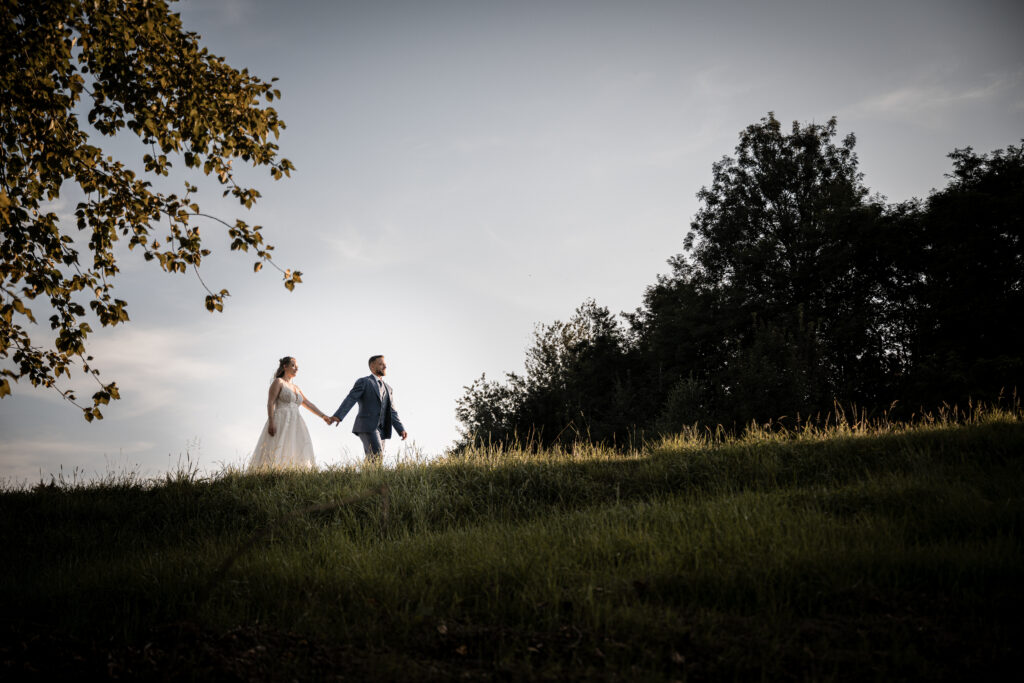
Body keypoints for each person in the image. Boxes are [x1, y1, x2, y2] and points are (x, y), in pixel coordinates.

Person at [247, 356, 333, 471]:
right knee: (277, 445)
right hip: (281, 419)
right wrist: (271, 421)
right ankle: (271, 472)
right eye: (293, 365)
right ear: (285, 366)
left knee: (296, 446)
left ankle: (292, 471)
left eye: (297, 367)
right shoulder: (278, 382)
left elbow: (308, 403)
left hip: (296, 420)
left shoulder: (296, 388)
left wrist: (323, 416)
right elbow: (270, 402)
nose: (296, 368)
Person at [330, 355, 408, 464]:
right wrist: (338, 416)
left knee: (374, 460)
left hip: (382, 429)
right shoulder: (364, 382)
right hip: (367, 425)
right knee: (377, 454)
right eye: (381, 364)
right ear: (372, 366)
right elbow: (351, 398)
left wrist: (401, 429)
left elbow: (392, 411)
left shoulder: (388, 388)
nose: (385, 366)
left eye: (385, 364)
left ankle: (367, 479)